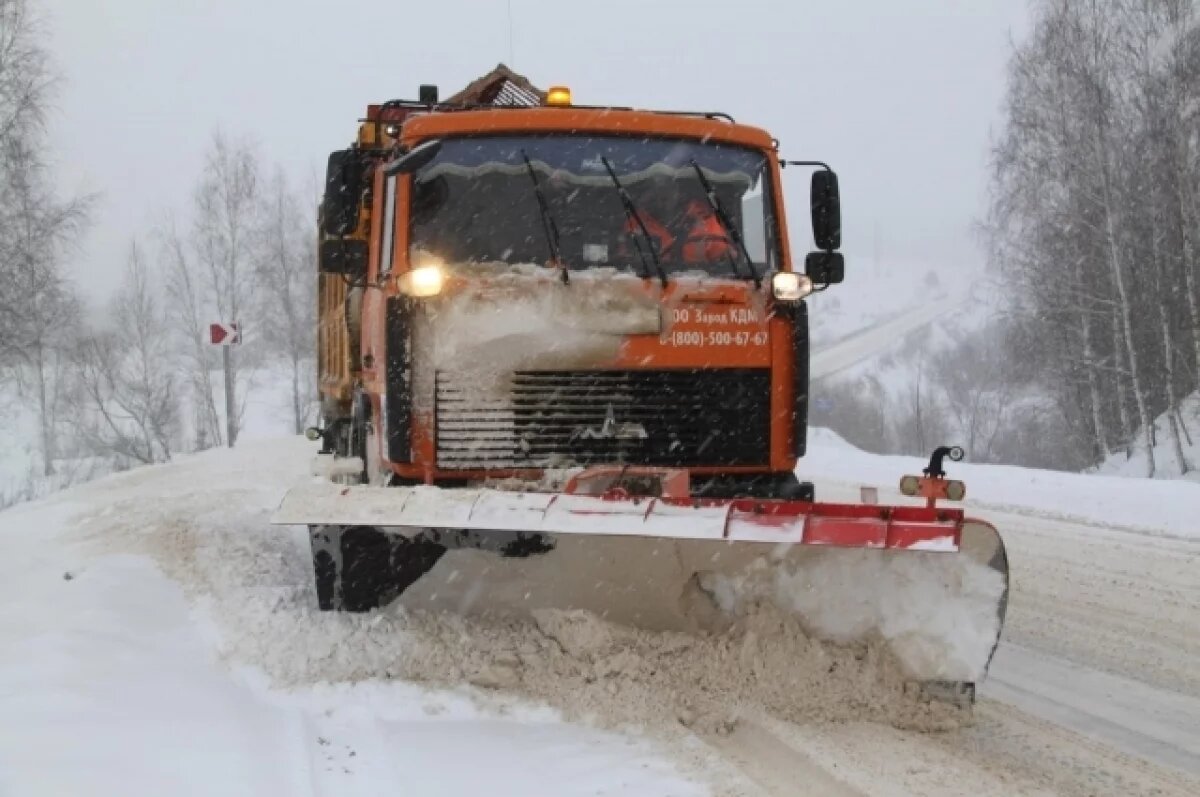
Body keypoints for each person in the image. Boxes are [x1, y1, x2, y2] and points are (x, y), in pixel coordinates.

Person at [619, 176, 735, 267]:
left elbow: (726, 269)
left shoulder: (707, 221)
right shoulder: (636, 223)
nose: (661, 195)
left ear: (678, 190)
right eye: (655, 188)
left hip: (700, 285)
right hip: (649, 285)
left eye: (668, 187)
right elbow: (624, 268)